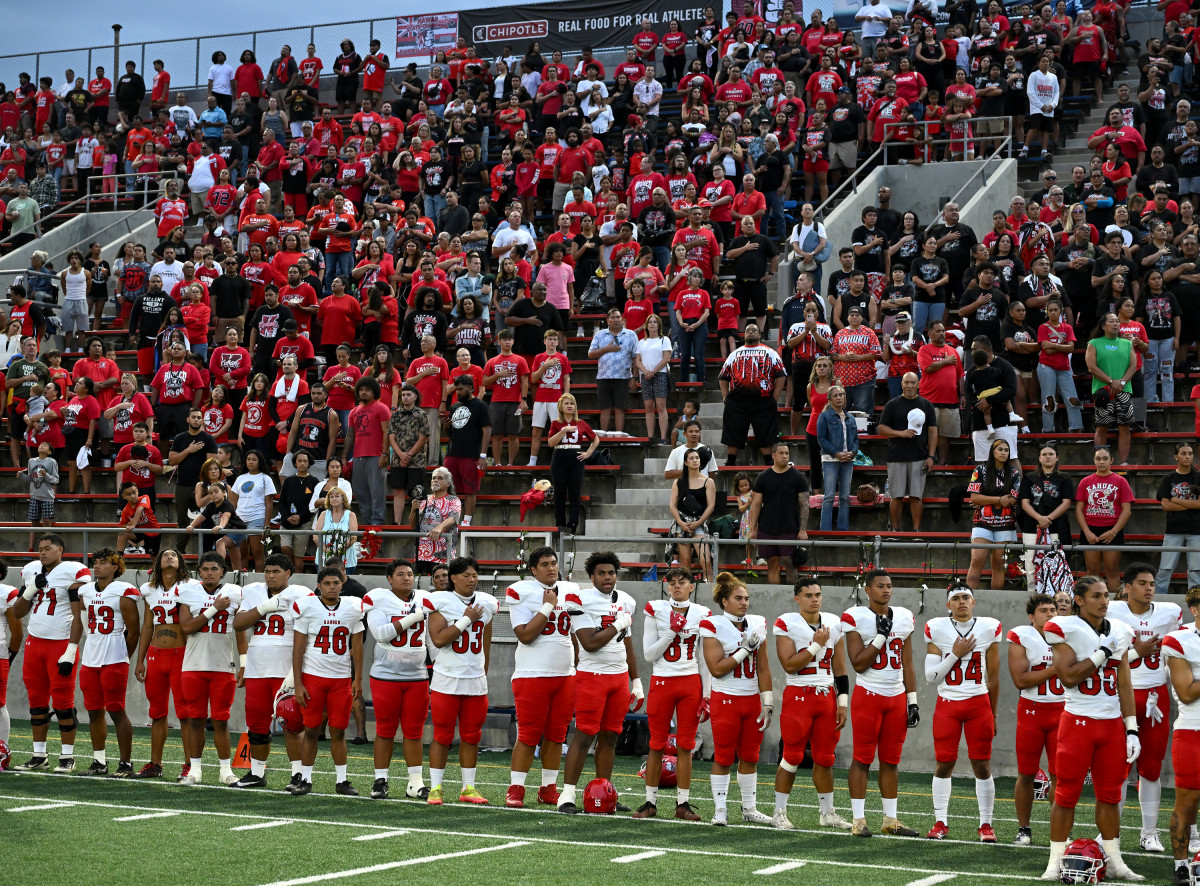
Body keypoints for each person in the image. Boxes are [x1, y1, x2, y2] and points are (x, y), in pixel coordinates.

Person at [1040, 575, 1142, 882]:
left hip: (1111, 725)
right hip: (1078, 722)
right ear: (1079, 600)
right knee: (1066, 794)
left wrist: (1132, 728)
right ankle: (1054, 861)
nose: (1104, 601)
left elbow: (1124, 682)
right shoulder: (1063, 627)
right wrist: (1102, 651)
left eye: (1105, 595)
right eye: (1096, 596)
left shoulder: (1122, 630)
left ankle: (1114, 861)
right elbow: (1069, 677)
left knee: (1110, 796)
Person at [559, 551, 641, 814]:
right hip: (592, 676)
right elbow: (590, 643)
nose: (608, 578)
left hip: (618, 678)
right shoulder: (578, 598)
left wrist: (636, 680)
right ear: (592, 576)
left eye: (611, 573)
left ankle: (606, 793)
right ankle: (567, 795)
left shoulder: (627, 601)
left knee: (610, 737)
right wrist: (617, 625)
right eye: (602, 573)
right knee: (584, 735)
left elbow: (627, 643)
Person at [842, 568, 920, 838]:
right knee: (862, 759)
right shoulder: (856, 616)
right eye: (880, 586)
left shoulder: (904, 617)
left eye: (889, 585)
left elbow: (908, 663)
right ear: (868, 590)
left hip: (896, 696)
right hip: (869, 696)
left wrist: (912, 701)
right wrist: (879, 637)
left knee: (890, 760)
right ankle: (859, 820)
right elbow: (859, 664)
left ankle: (891, 819)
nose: (886, 590)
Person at [770, 575, 851, 830]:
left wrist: (843, 703)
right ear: (797, 598)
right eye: (808, 595)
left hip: (826, 697)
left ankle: (827, 813)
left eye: (817, 595)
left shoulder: (835, 624)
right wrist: (816, 646)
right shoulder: (787, 622)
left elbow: (840, 669)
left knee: (826, 758)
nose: (814, 599)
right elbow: (790, 665)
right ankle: (779, 812)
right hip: (798, 696)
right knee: (791, 756)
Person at [923, 584, 1002, 842]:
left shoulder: (989, 627)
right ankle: (940, 821)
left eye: (965, 597)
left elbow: (994, 677)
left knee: (981, 763)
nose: (961, 602)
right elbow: (930, 676)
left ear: (974, 601)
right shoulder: (937, 628)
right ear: (948, 605)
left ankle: (986, 824)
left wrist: (994, 712)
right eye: (955, 599)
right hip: (948, 703)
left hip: (979, 704)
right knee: (944, 763)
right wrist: (955, 655)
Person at [502, 548, 580, 807]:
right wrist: (547, 606)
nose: (551, 568)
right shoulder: (521, 591)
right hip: (532, 674)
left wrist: (576, 667)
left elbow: (574, 634)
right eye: (544, 564)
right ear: (533, 569)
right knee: (528, 735)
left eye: (554, 563)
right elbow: (524, 635)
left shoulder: (572, 589)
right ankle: (516, 788)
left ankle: (548, 788)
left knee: (557, 736)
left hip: (565, 675)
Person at [634, 568, 709, 822]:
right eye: (672, 582)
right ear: (667, 586)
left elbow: (703, 659)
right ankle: (650, 802)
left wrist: (707, 694)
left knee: (686, 745)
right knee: (656, 743)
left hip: (690, 683)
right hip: (662, 680)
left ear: (691, 586)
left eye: (682, 582)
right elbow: (649, 654)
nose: (677, 586)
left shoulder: (702, 613)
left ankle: (683, 803)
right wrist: (671, 632)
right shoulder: (656, 609)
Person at [230, 554, 310, 790]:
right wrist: (266, 607)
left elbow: (307, 634)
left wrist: (297, 672)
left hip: (286, 667)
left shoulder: (302, 594)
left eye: (276, 571)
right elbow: (238, 624)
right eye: (267, 571)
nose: (271, 576)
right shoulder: (253, 591)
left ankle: (298, 775)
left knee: (291, 721)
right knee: (256, 724)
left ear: (288, 573)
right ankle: (256, 773)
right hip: (257, 666)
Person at [699, 572, 773, 826]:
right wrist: (744, 650)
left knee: (751, 756)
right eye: (738, 598)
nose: (744, 602)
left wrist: (768, 701)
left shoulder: (757, 623)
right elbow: (717, 668)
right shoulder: (712, 625)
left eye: (747, 598)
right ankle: (720, 809)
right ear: (724, 602)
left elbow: (763, 667)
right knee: (723, 757)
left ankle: (749, 808)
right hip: (726, 699)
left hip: (751, 699)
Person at [425, 556, 498, 805]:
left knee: (472, 735)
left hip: (475, 680)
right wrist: (466, 619)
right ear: (453, 578)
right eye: (466, 575)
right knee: (442, 735)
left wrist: (482, 669)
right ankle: (436, 788)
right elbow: (438, 639)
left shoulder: (487, 603)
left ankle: (468, 787)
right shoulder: (440, 601)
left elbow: (485, 642)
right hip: (446, 679)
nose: (471, 579)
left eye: (475, 575)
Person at [291, 566, 366, 796]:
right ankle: (305, 778)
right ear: (319, 585)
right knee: (311, 730)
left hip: (341, 679)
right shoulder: (307, 607)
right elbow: (298, 649)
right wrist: (298, 682)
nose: (332, 587)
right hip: (313, 676)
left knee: (339, 731)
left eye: (336, 583)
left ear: (342, 584)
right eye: (327, 583)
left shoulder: (353, 608)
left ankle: (342, 780)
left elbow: (358, 646)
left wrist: (358, 679)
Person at [363, 558, 433, 800]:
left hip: (417, 676)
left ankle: (415, 783)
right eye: (401, 574)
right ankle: (380, 779)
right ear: (389, 579)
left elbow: (431, 638)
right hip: (386, 676)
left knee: (414, 732)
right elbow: (381, 634)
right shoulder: (378, 598)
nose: (406, 577)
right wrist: (413, 618)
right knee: (385, 731)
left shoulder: (425, 599)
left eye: (410, 573)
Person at [177, 551, 243, 786]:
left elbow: (240, 628)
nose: (209, 573)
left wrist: (243, 662)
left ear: (223, 571)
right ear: (199, 572)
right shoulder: (188, 592)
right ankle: (195, 770)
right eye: (205, 569)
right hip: (194, 665)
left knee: (221, 720)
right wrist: (214, 609)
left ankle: (225, 770)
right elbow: (186, 627)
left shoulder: (234, 593)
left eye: (214, 569)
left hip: (223, 665)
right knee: (195, 718)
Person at [1007, 593, 1067, 846]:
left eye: (1053, 609)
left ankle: (1061, 829)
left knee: (1060, 775)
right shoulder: (1022, 636)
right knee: (1026, 773)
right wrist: (1057, 667)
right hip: (1032, 711)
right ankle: (1024, 827)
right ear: (1032, 617)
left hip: (1063, 710)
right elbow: (1020, 680)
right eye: (1044, 610)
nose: (1051, 614)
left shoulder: (1068, 633)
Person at [76, 548, 140, 777]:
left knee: (116, 710)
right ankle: (99, 761)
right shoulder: (85, 591)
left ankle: (125, 764)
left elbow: (134, 632)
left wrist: (124, 656)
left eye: (103, 562)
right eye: (95, 562)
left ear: (115, 567)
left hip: (114, 657)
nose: (97, 566)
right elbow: (81, 618)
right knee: (93, 711)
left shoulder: (124, 591)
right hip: (91, 656)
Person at [133, 549, 189, 779]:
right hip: (156, 655)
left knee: (186, 713)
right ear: (158, 563)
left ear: (180, 562)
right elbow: (147, 626)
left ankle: (189, 764)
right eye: (165, 555)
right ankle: (155, 764)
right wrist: (140, 660)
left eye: (173, 555)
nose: (169, 558)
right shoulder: (149, 590)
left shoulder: (189, 587)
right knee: (156, 712)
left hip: (182, 654)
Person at [1163, 589, 1200, 884]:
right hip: (1193, 729)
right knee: (1186, 804)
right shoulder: (1179, 640)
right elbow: (1186, 693)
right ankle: (1180, 865)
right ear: (1195, 610)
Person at [877, 372, 938, 531]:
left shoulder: (927, 405)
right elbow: (881, 429)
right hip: (896, 457)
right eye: (907, 382)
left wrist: (931, 456)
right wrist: (900, 433)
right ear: (902, 384)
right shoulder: (892, 404)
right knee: (896, 496)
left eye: (913, 382)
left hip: (919, 457)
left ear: (918, 384)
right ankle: (895, 531)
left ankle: (917, 531)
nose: (910, 386)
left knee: (916, 497)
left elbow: (933, 432)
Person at [719, 323, 786, 466]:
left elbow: (781, 375)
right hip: (737, 401)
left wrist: (775, 397)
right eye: (748, 330)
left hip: (763, 400)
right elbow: (723, 376)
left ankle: (768, 461)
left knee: (766, 432)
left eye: (754, 330)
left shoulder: (770, 352)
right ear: (743, 334)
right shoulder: (735, 353)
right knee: (733, 431)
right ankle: (730, 461)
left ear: (759, 334)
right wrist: (726, 397)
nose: (750, 332)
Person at [746, 441, 810, 585]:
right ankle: (775, 599)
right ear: (773, 455)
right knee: (772, 563)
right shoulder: (763, 477)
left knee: (789, 561)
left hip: (789, 527)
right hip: (767, 527)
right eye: (781, 453)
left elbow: (805, 504)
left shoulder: (798, 476)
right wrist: (752, 529)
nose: (784, 456)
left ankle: (792, 597)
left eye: (787, 453)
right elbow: (755, 504)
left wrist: (803, 530)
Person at [1076, 446, 1135, 593]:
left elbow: (1126, 510)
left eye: (1105, 459)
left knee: (1112, 570)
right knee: (1092, 571)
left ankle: (1115, 606)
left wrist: (1113, 531)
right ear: (1094, 461)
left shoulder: (1120, 481)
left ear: (1112, 460)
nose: (1101, 462)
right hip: (1090, 529)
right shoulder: (1085, 481)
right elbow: (1078, 509)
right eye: (1098, 459)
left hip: (1112, 529)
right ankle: (1092, 604)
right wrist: (1087, 532)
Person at [966, 439, 1022, 590]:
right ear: (993, 451)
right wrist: (998, 499)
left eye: (1006, 450)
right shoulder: (980, 470)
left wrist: (986, 500)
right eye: (1000, 449)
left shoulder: (1014, 473)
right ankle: (968, 598)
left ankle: (995, 601)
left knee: (998, 563)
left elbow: (1012, 500)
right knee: (977, 560)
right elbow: (974, 498)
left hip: (1006, 523)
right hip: (982, 522)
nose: (1004, 453)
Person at [1018, 442, 1076, 578]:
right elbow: (1025, 503)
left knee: (1057, 565)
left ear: (1057, 458)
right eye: (1044, 454)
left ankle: (1056, 597)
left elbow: (1066, 503)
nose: (1047, 457)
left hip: (1056, 526)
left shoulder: (1065, 479)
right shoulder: (1028, 478)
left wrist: (1048, 519)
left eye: (1051, 454)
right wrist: (1039, 518)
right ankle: (1032, 595)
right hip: (1032, 526)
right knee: (1031, 565)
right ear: (1039, 458)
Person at [1086, 311, 1137, 464]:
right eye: (1112, 321)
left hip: (1124, 390)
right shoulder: (1094, 343)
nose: (1116, 323)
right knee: (1102, 426)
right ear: (1103, 325)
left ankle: (1123, 462)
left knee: (1125, 426)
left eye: (1117, 321)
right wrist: (1111, 381)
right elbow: (1091, 367)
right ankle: (1100, 461)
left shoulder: (1127, 344)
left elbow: (1133, 365)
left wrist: (1121, 383)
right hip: (1103, 391)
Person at [443, 376, 491, 527]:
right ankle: (452, 519)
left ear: (471, 387)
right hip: (453, 453)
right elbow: (450, 433)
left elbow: (487, 429)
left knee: (470, 490)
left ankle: (466, 521)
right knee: (449, 489)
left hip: (471, 455)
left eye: (461, 389)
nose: (458, 392)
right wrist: (446, 425)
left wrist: (483, 455)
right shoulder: (454, 407)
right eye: (456, 389)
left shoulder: (481, 405)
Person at [342, 376, 390, 526]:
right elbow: (350, 434)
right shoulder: (354, 411)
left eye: (367, 390)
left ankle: (377, 531)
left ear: (374, 392)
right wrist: (344, 455)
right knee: (361, 494)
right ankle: (368, 526)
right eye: (361, 390)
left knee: (377, 495)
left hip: (375, 456)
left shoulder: (381, 407)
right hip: (357, 457)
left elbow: (387, 432)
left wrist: (385, 454)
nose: (363, 393)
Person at [547, 393, 598, 534]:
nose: (570, 406)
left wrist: (588, 453)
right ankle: (560, 525)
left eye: (572, 403)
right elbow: (551, 443)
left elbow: (595, 439)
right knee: (560, 494)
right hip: (559, 458)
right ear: (560, 407)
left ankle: (573, 524)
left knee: (575, 494)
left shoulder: (581, 423)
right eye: (567, 403)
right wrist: (563, 431)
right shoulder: (556, 424)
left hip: (576, 458)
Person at [1156, 442, 1200, 593]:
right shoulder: (1168, 478)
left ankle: (1195, 603)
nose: (1188, 457)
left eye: (1190, 453)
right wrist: (1191, 503)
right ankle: (1158, 600)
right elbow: (1165, 506)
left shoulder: (1198, 477)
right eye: (1183, 453)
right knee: (1164, 570)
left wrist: (1175, 500)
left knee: (1195, 572)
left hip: (1196, 530)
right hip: (1173, 530)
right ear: (1176, 457)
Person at [587, 307, 638, 433]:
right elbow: (590, 354)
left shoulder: (631, 335)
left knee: (620, 408)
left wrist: (635, 377)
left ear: (622, 319)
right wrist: (605, 349)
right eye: (613, 317)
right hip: (603, 377)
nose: (616, 320)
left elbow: (636, 357)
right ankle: (604, 437)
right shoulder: (600, 334)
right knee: (605, 408)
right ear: (607, 320)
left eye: (618, 317)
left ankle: (619, 436)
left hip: (623, 377)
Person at [670, 448, 717, 582]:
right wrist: (680, 522)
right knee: (685, 562)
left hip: (699, 523)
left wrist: (698, 522)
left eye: (697, 458)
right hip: (682, 522)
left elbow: (711, 506)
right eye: (691, 458)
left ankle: (709, 590)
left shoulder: (708, 482)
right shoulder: (678, 482)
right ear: (685, 462)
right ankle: (687, 593)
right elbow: (672, 505)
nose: (695, 460)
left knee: (706, 560)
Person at [817, 386, 858, 532]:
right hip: (830, 460)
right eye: (835, 395)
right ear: (830, 399)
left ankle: (843, 529)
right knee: (829, 496)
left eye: (841, 395)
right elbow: (821, 439)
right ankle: (825, 530)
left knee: (845, 496)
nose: (839, 397)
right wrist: (836, 453)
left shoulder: (851, 417)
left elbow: (855, 440)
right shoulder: (824, 416)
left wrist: (852, 453)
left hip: (848, 460)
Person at [412, 467, 460, 572]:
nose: (435, 480)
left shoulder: (453, 500)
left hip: (442, 553)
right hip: (421, 552)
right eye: (433, 478)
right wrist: (413, 510)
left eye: (440, 478)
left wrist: (439, 528)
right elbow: (413, 526)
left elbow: (453, 518)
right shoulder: (424, 500)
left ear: (448, 484)